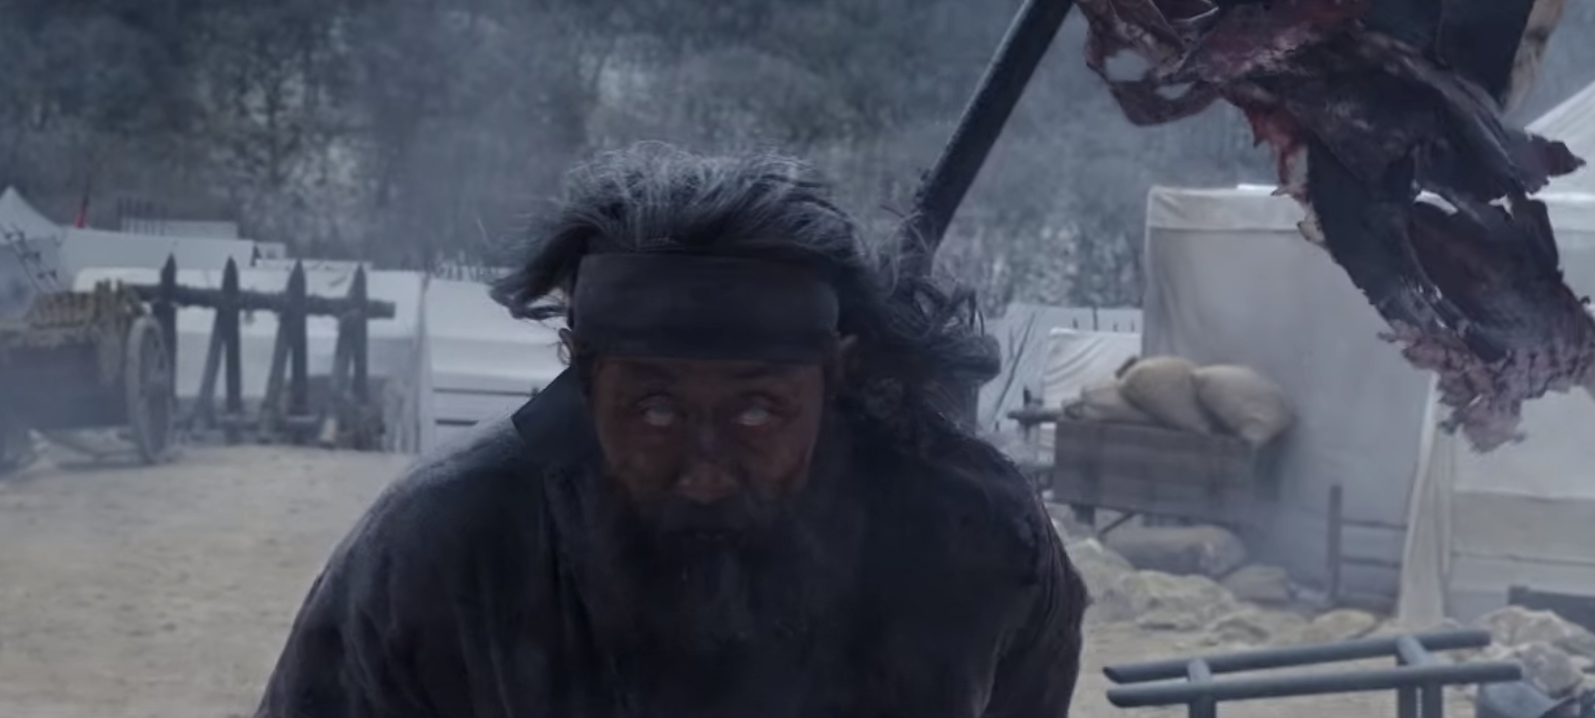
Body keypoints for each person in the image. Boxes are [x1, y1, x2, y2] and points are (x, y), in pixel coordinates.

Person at [255, 143, 1087, 718]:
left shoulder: (969, 537)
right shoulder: (449, 546)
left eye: (757, 412)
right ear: (582, 375)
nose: (706, 470)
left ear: (835, 378)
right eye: (654, 410)